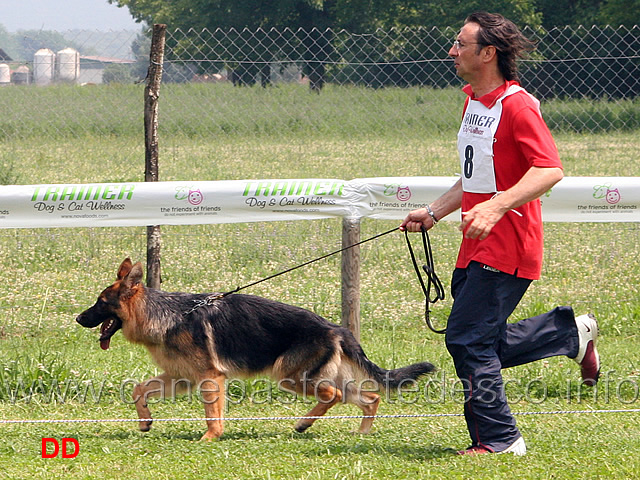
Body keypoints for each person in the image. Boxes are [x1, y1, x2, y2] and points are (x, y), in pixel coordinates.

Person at [400, 12, 600, 456]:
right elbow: (475, 177)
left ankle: (501, 438)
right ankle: (570, 333)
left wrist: (496, 205)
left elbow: (549, 169)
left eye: (460, 44)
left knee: (467, 339)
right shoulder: (473, 101)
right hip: (475, 243)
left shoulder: (518, 105)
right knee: (477, 339)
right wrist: (434, 211)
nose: (452, 51)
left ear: (487, 53)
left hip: (510, 244)